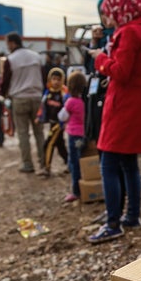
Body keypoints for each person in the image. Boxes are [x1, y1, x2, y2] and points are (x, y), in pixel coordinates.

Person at [87, 0, 141, 244]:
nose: (107, 20)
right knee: (129, 164)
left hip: (122, 105)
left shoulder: (128, 32)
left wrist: (100, 59)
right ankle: (131, 215)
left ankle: (113, 223)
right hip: (138, 103)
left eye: (108, 14)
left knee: (109, 164)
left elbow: (121, 70)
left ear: (120, 10)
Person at [0, 32, 48, 175]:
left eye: (8, 43)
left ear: (13, 43)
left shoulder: (11, 59)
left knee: (23, 133)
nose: (7, 46)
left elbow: (5, 81)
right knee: (39, 133)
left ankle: (27, 164)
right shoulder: (36, 56)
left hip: (19, 99)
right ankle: (44, 162)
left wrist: (1, 94)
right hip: (37, 98)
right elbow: (43, 77)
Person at [58, 71, 87, 203]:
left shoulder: (70, 101)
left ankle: (76, 191)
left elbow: (62, 116)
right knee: (81, 160)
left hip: (73, 135)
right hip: (83, 134)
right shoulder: (84, 101)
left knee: (74, 162)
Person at [39, 66, 69, 171]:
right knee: (60, 145)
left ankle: (46, 167)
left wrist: (64, 122)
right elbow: (43, 107)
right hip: (51, 122)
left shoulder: (64, 94)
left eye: (58, 79)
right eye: (54, 79)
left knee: (49, 144)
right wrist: (40, 117)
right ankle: (69, 163)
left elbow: (67, 108)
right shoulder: (48, 92)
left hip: (59, 124)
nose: (56, 82)